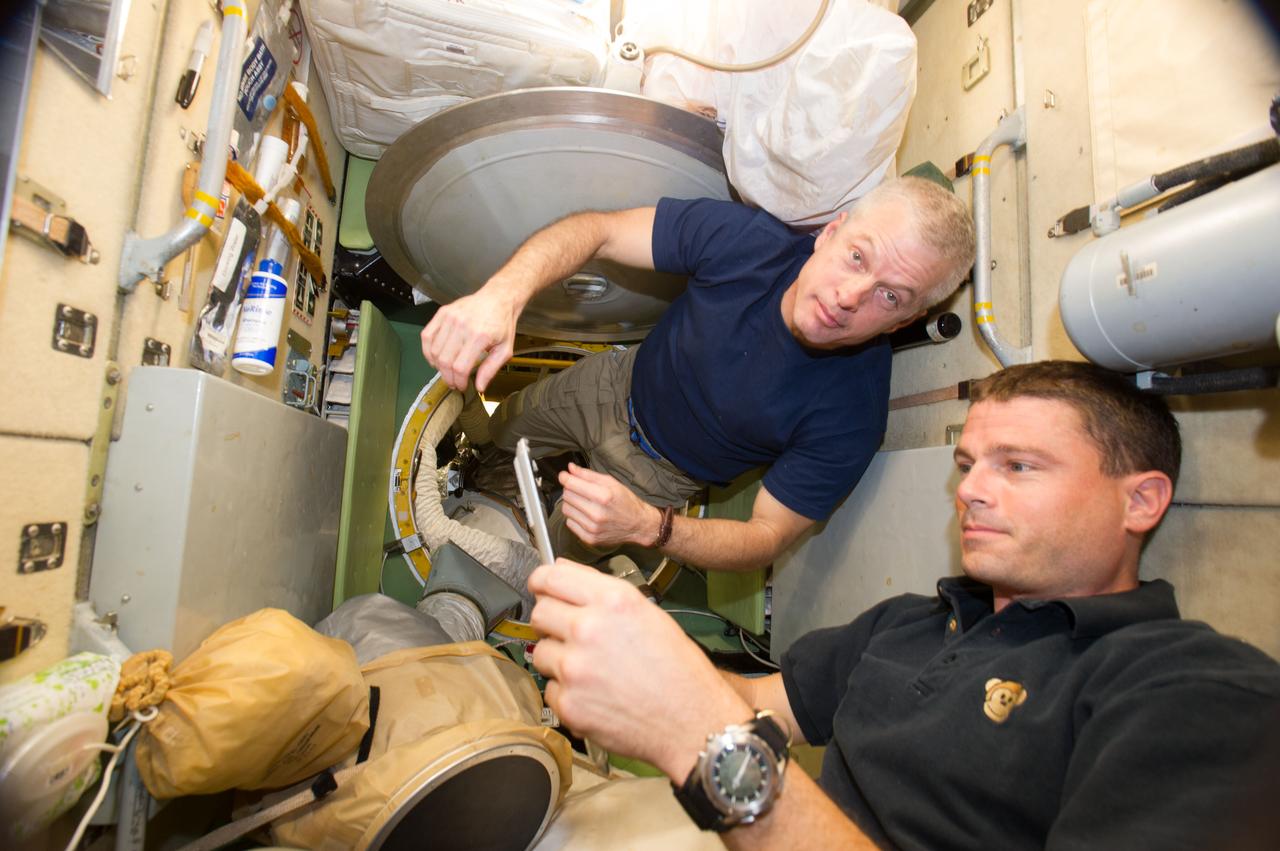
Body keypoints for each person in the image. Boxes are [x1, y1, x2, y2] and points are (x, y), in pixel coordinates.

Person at [525, 360, 1280, 850]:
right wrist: (629, 656)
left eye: (1018, 464)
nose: (970, 489)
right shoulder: (914, 622)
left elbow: (718, 722)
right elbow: (766, 699)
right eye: (967, 463)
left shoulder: (1195, 691)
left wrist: (707, 741)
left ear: (1141, 499)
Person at [420, 178, 976, 570]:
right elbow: (600, 230)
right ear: (830, 233)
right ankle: (481, 456)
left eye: (890, 295)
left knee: (557, 555)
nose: (850, 298)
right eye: (859, 256)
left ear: (910, 318)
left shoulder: (852, 414)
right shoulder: (747, 244)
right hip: (611, 384)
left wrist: (647, 526)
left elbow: (766, 537)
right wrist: (502, 296)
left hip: (659, 481)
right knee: (506, 426)